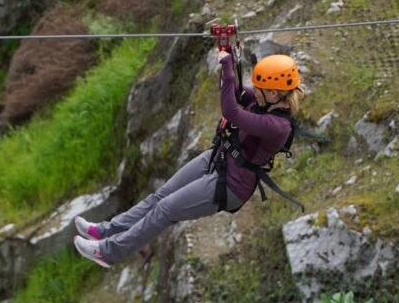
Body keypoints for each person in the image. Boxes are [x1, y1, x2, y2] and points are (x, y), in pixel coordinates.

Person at [73, 49, 304, 268]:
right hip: (219, 158)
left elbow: (231, 112)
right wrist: (228, 60)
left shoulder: (277, 126)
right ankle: (104, 231)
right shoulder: (263, 101)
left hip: (231, 186)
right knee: (159, 197)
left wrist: (226, 65)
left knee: (165, 209)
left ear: (274, 93)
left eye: (259, 88)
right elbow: (233, 93)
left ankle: (108, 252)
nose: (255, 90)